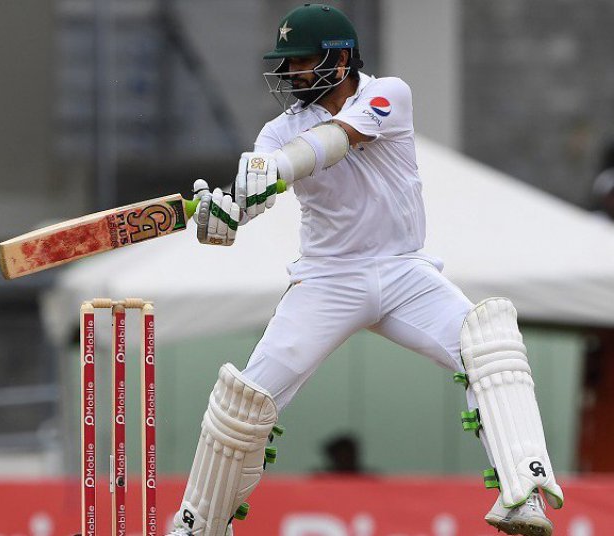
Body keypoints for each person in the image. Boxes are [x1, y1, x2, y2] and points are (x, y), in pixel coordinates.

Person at [171, 5, 563, 536]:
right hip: (327, 280)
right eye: (287, 63)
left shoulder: (387, 94)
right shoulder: (275, 132)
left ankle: (524, 493)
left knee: (488, 345)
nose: (292, 73)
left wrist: (276, 168)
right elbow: (255, 196)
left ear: (341, 58)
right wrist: (226, 214)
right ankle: (197, 525)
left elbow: (335, 142)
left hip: (404, 273)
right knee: (246, 399)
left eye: (304, 60)